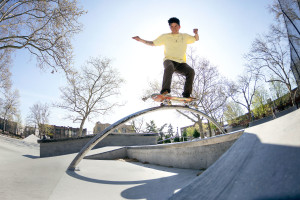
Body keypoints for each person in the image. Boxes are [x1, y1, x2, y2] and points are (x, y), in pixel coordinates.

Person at [132, 17, 199, 98]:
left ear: (179, 27)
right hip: (169, 60)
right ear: (170, 27)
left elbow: (196, 39)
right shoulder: (165, 37)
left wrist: (196, 33)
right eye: (172, 26)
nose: (174, 28)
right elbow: (153, 43)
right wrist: (141, 40)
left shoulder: (184, 36)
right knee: (169, 67)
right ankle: (165, 91)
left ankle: (187, 95)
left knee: (191, 71)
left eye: (176, 26)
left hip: (181, 63)